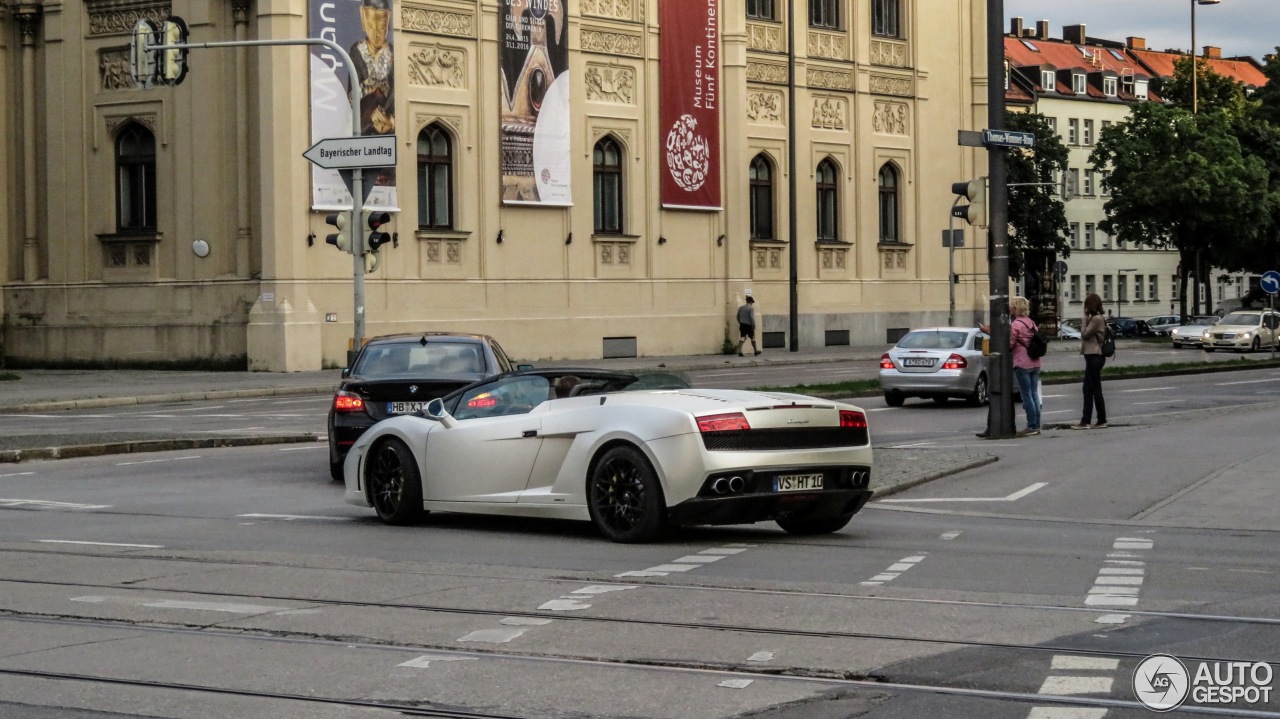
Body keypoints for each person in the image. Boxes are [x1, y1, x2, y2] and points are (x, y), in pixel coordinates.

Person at [350, 0, 395, 137]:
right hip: (362, 126)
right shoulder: (356, 52)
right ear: (364, 20)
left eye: (381, 28)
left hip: (384, 133)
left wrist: (391, 122)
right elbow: (351, 95)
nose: (376, 35)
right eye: (371, 26)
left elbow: (397, 94)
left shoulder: (393, 54)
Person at [1073, 293, 1108, 430]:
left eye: (1086, 305)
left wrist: (1084, 320)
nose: (1085, 308)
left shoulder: (1096, 319)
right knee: (1088, 388)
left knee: (1094, 389)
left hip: (1095, 356)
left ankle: (1099, 420)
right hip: (1093, 356)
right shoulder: (1096, 319)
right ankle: (1088, 420)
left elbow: (1085, 334)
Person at [1008, 296, 1042, 436]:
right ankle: (1037, 424)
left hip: (1022, 362)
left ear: (1015, 308)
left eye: (1011, 306)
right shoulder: (1031, 323)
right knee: (1034, 394)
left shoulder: (1016, 325)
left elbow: (1011, 344)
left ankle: (1032, 426)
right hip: (1035, 362)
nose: (1010, 309)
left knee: (1026, 395)